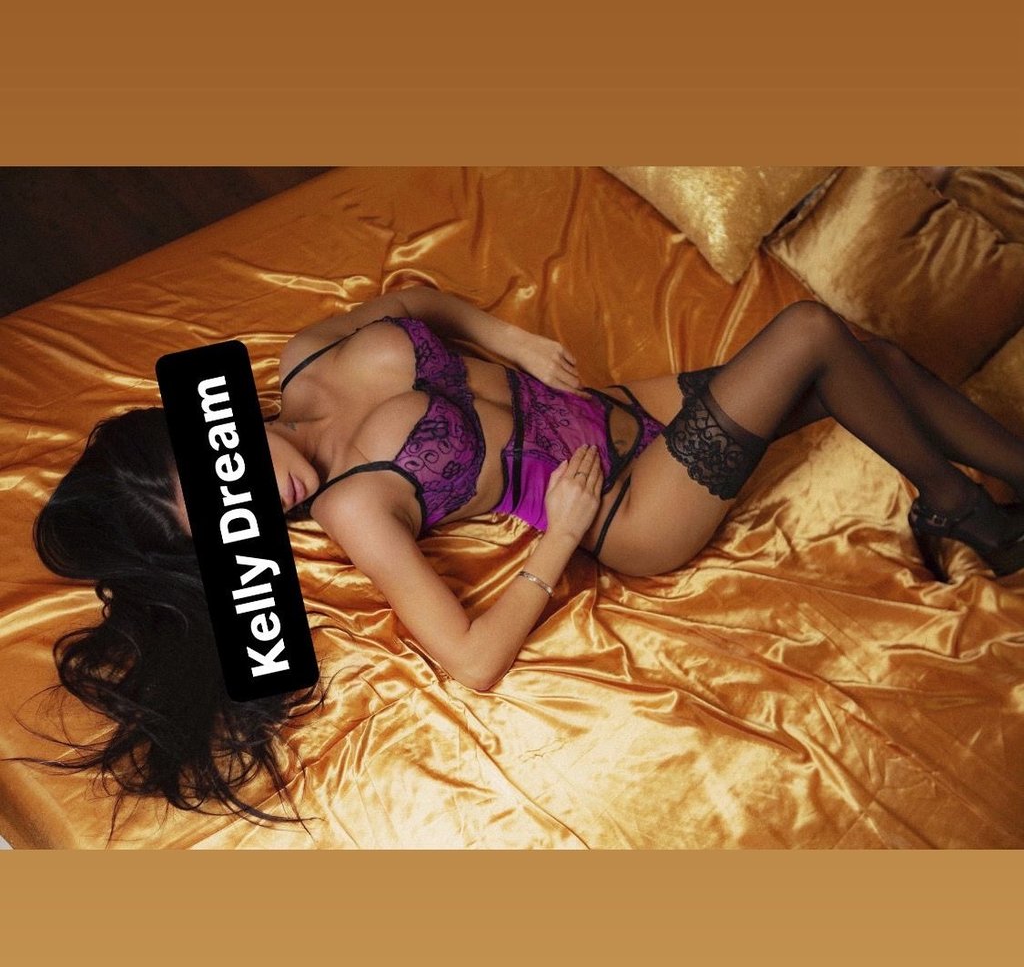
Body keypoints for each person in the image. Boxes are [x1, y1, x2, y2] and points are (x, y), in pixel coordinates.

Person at [28, 285, 1024, 834]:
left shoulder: (305, 357)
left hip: (628, 406)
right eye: (225, 520)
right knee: (809, 331)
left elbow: (412, 298)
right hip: (633, 507)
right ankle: (964, 510)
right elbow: (469, 660)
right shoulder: (351, 506)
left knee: (873, 359)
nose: (256, 501)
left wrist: (510, 338)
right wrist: (561, 535)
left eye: (226, 477)